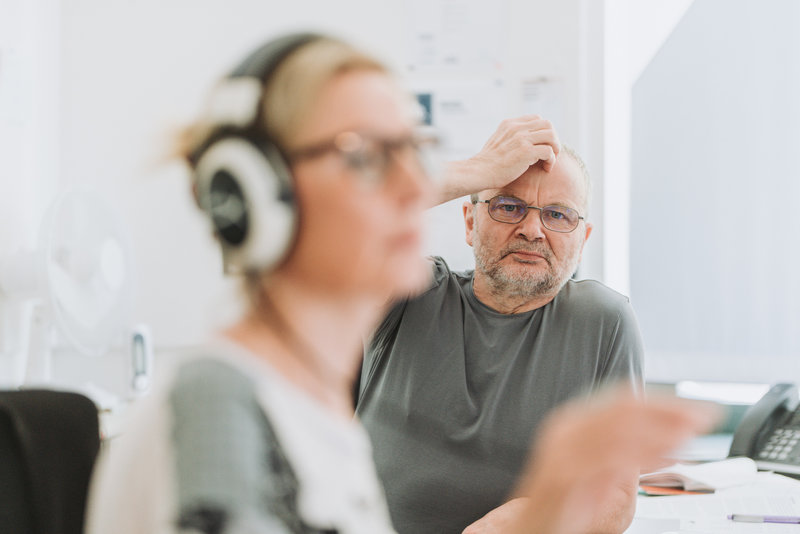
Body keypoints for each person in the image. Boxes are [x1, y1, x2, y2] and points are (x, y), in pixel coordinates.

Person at [84, 32, 716, 534]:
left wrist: (550, 502)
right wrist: (478, 169)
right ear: (259, 197)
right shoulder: (217, 415)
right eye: (366, 159)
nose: (418, 185)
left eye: (412, 153)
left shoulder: (319, 427)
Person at [356, 117, 645, 534]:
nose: (532, 230)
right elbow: (331, 218)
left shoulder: (604, 321)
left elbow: (617, 499)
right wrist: (478, 171)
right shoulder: (408, 291)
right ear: (471, 223)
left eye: (558, 215)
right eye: (508, 206)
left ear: (583, 239)